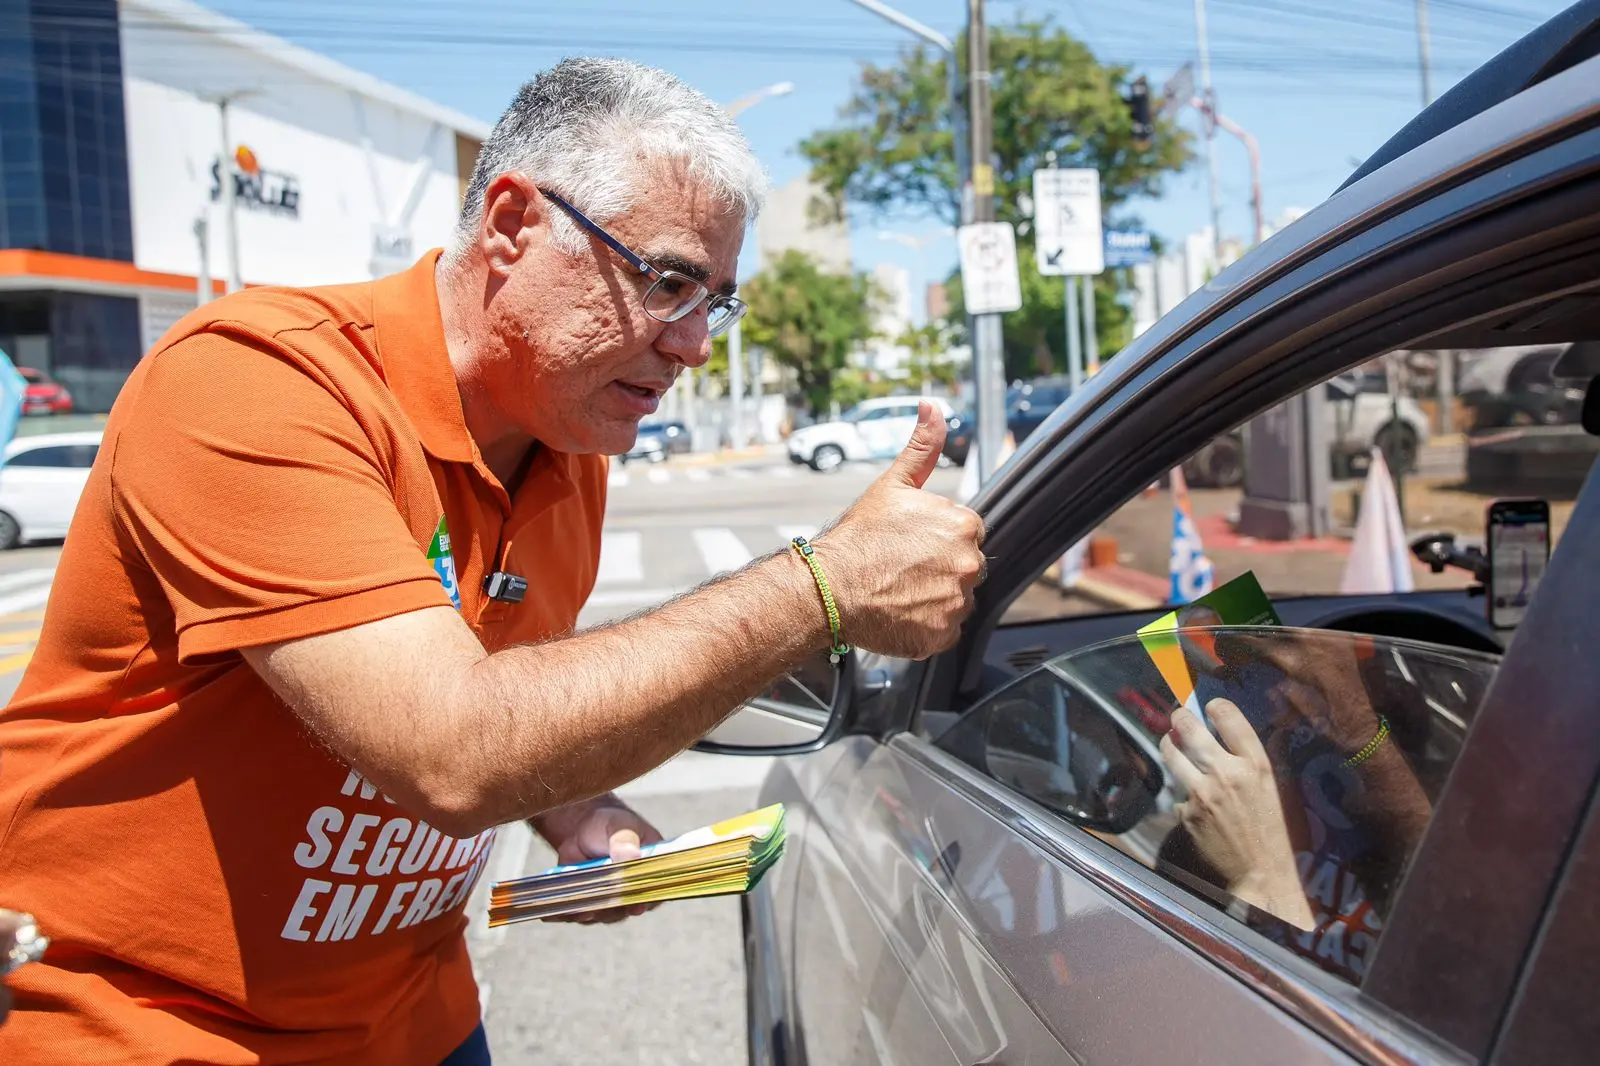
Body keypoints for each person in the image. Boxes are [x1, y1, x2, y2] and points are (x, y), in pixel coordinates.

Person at [0, 59, 985, 1065]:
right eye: (670, 280)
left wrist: (574, 807)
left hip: (417, 1019)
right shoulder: (256, 379)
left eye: (713, 301)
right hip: (149, 1024)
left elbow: (497, 699)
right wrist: (822, 584)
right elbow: (449, 748)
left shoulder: (570, 446)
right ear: (513, 224)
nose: (693, 343)